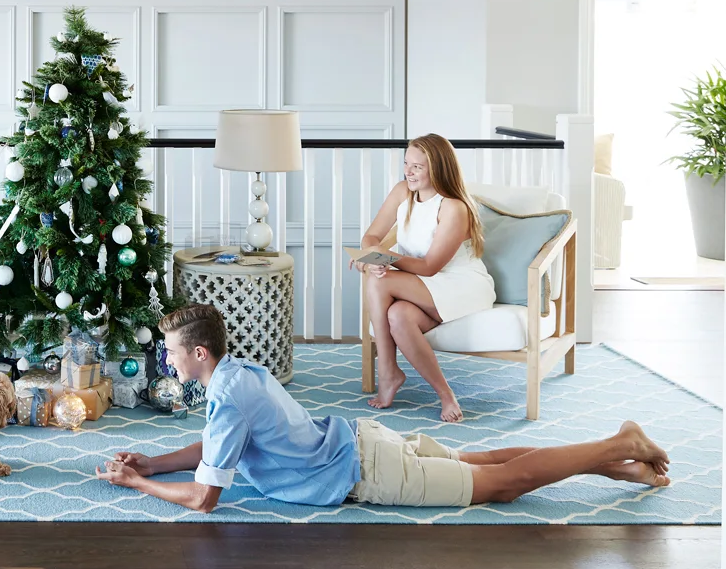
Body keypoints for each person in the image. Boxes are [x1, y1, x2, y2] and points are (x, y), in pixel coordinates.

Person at [95, 304, 671, 513]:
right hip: (363, 441)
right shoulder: (239, 374)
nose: (166, 362)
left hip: (369, 470)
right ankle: (620, 464)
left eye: (170, 353)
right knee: (489, 458)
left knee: (502, 483)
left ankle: (620, 444)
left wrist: (134, 484)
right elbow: (217, 453)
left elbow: (203, 499)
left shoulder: (224, 399)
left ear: (198, 353)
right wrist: (151, 462)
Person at [354, 133, 494, 421]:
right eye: (406, 163)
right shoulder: (401, 192)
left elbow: (430, 266)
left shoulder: (454, 207)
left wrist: (380, 261)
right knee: (399, 316)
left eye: (417, 166)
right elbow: (373, 235)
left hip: (458, 283)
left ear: (438, 168)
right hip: (422, 285)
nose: (408, 171)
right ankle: (445, 394)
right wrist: (371, 258)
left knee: (380, 280)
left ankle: (388, 371)